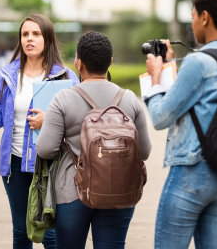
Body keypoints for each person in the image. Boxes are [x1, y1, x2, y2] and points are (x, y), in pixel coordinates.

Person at [0, 14, 78, 249]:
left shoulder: (66, 77)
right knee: (21, 231)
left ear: (47, 38)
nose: (29, 39)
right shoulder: (8, 76)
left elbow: (80, 121)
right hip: (15, 165)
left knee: (50, 233)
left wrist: (51, 121)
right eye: (25, 34)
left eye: (36, 34)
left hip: (51, 164)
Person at [144, 0, 217, 248]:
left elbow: (161, 117)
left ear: (205, 17)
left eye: (193, 16)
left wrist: (155, 77)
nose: (192, 22)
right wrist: (172, 67)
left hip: (192, 172)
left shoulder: (199, 63)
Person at [35, 31, 152, 249]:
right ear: (110, 62)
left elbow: (45, 150)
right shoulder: (129, 99)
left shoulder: (63, 99)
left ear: (78, 64)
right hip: (120, 190)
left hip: (72, 191)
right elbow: (144, 152)